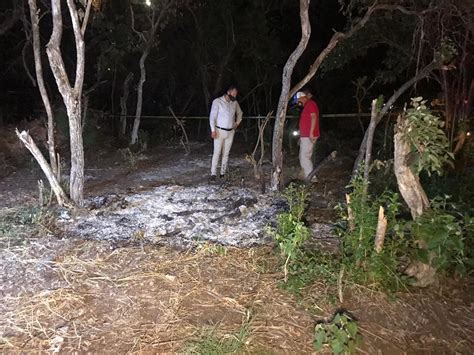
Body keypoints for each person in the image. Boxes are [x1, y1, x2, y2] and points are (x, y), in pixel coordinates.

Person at [209, 85, 243, 181]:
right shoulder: (217, 102)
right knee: (217, 152)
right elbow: (212, 117)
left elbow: (240, 113)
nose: (235, 96)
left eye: (236, 94)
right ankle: (213, 173)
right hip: (219, 131)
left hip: (230, 132)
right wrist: (213, 130)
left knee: (226, 153)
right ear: (228, 92)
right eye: (233, 94)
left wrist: (237, 123)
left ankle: (222, 172)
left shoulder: (234, 103)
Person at [295, 89, 320, 179]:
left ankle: (311, 177)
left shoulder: (310, 104)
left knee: (305, 156)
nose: (298, 102)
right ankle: (306, 174)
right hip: (305, 135)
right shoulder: (307, 106)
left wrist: (311, 133)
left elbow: (313, 117)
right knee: (304, 156)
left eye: (298, 100)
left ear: (302, 98)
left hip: (308, 135)